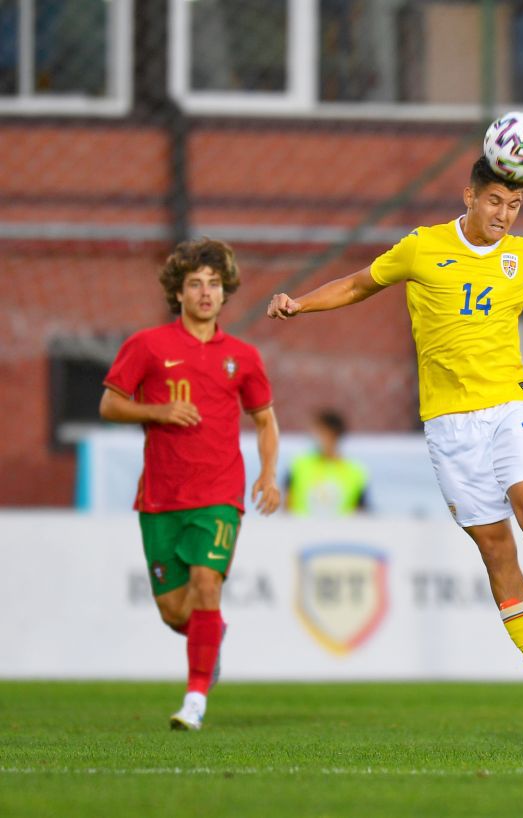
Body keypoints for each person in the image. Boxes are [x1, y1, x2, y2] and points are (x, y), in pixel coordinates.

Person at [265, 156, 523, 732]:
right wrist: (300, 303)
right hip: (447, 422)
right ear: (469, 196)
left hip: (511, 403)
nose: (504, 215)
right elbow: (362, 283)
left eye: (514, 206)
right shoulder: (422, 248)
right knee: (495, 550)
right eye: (495, 202)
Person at [100, 238, 281, 731]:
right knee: (175, 612)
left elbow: (265, 421)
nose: (206, 292)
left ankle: (195, 701)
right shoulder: (147, 346)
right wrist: (157, 410)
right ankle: (210, 635)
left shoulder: (242, 356)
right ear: (177, 293)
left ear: (226, 294)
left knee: (208, 584)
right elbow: (110, 405)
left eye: (214, 284)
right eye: (195, 284)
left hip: (220, 494)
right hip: (160, 498)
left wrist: (267, 474)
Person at [285, 409, 370, 516]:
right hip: (302, 530)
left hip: (341, 531)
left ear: (333, 434)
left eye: (320, 432)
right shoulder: (298, 465)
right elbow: (287, 505)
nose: (315, 437)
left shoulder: (355, 472)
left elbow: (361, 512)